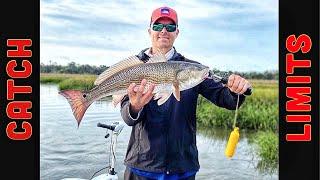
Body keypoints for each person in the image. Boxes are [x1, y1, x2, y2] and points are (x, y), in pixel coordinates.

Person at [120, 6, 251, 180]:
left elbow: (225, 99)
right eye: (158, 26)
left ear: (177, 32)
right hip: (142, 166)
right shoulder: (134, 68)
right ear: (149, 30)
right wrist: (134, 107)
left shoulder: (193, 69)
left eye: (171, 27)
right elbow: (127, 117)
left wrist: (236, 91)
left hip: (182, 167)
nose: (164, 31)